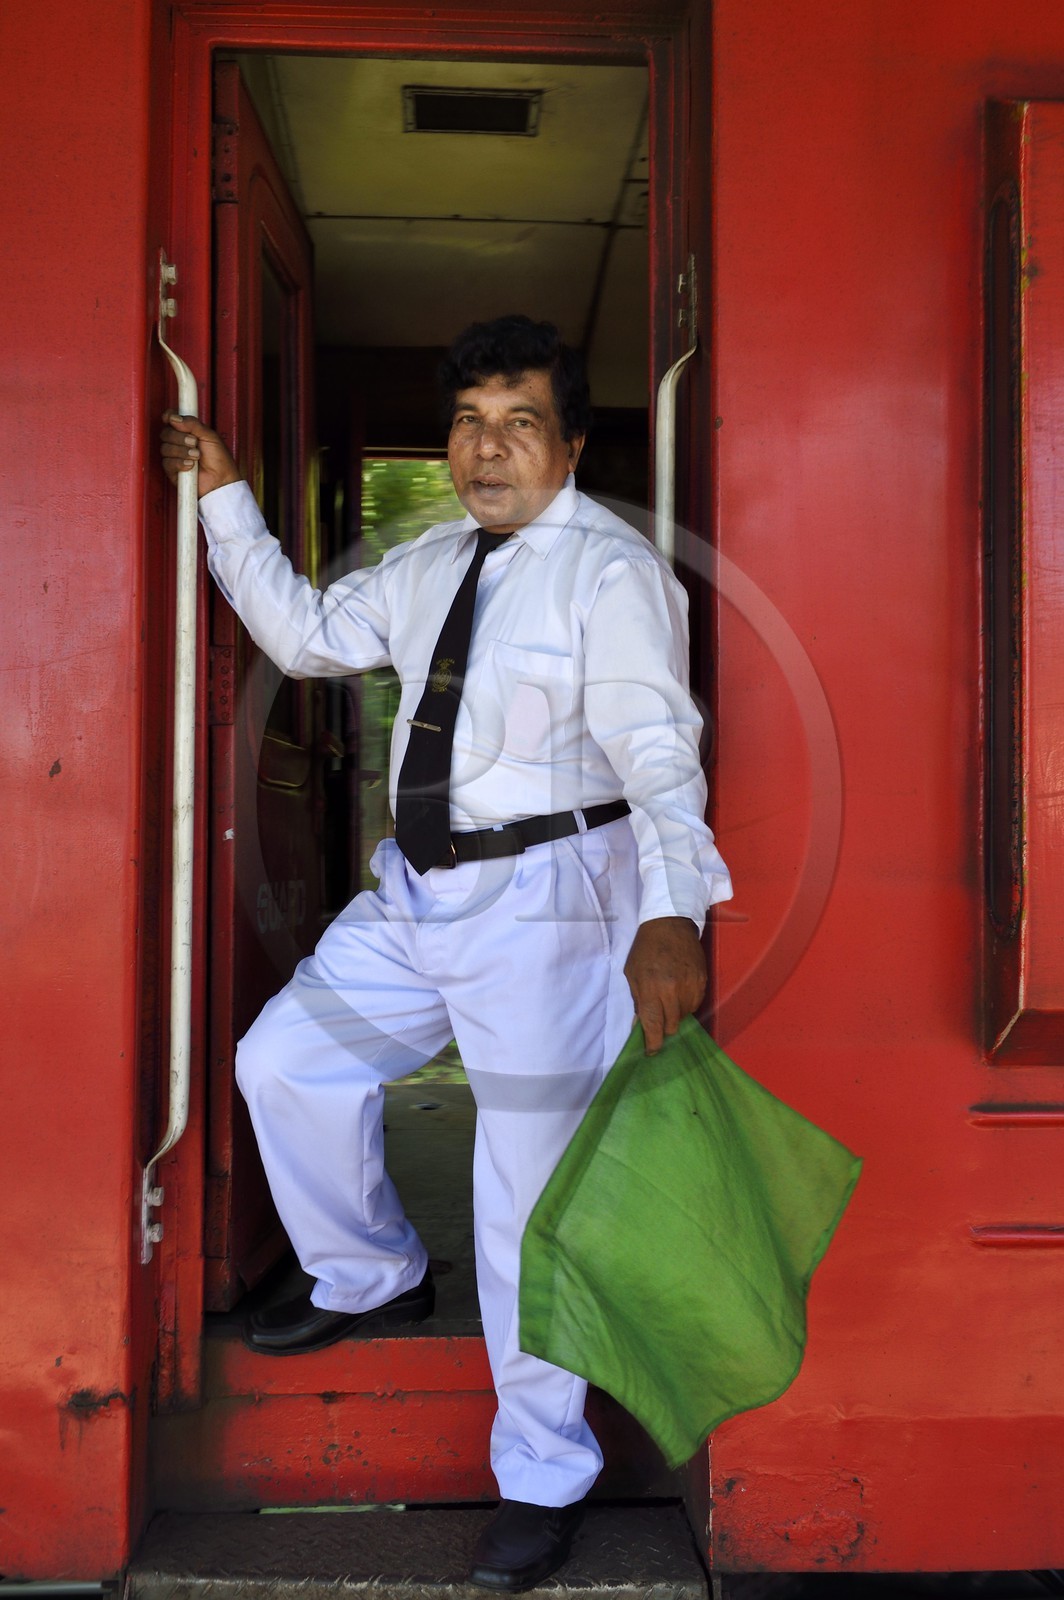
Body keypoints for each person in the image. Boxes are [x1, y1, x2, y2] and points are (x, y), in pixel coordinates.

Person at [160, 314, 731, 1590]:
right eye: (469, 422)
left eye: (518, 421)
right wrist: (227, 498)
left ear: (569, 443)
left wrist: (671, 908)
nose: (487, 447)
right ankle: (370, 1271)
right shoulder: (428, 562)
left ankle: (544, 1475)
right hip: (416, 891)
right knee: (283, 1062)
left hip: (554, 901)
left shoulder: (611, 573)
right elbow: (307, 637)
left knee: (521, 1199)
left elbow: (656, 754)